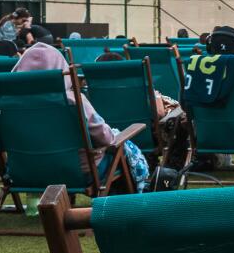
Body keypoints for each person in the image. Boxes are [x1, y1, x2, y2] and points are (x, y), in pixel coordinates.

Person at [12, 43, 148, 189]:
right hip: (77, 172)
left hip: (24, 171)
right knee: (118, 152)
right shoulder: (73, 100)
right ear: (61, 68)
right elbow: (106, 139)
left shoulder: (8, 103)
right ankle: (119, 205)